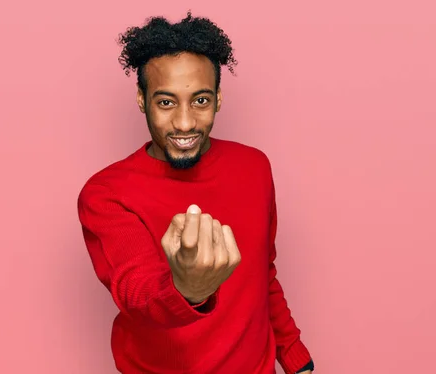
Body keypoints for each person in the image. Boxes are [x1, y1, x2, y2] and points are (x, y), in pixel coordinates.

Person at [77, 11, 314, 374]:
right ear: (142, 100)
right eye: (166, 102)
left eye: (200, 101)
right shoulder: (106, 193)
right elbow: (134, 293)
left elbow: (262, 273)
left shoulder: (254, 168)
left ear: (218, 98)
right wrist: (188, 290)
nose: (185, 123)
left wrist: (295, 356)